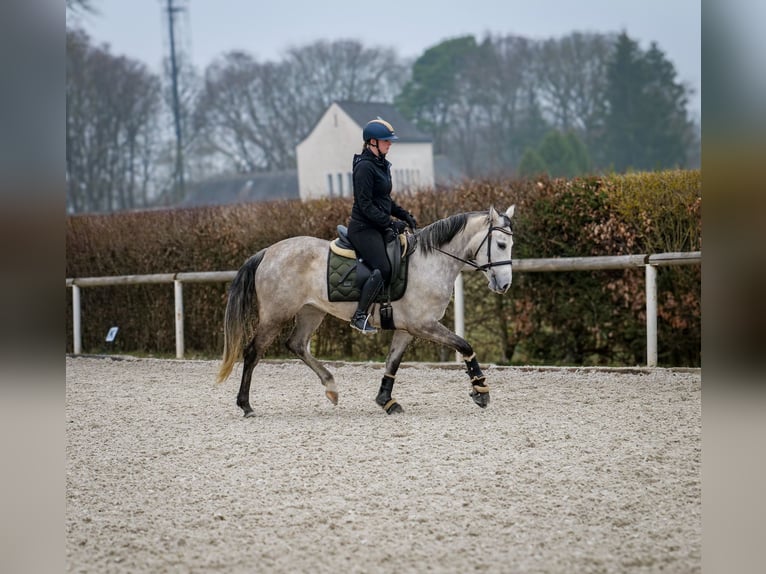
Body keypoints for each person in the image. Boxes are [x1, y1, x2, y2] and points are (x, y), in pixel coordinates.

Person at [347, 118, 418, 334]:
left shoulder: (381, 164)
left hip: (377, 225)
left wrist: (404, 215)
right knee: (384, 267)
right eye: (386, 141)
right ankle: (359, 316)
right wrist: (390, 222)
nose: (390, 144)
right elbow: (366, 205)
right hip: (363, 228)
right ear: (372, 142)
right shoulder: (365, 168)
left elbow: (384, 200)